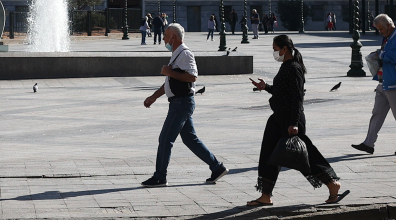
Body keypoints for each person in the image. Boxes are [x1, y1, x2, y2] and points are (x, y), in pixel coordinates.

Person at [248, 35, 346, 206]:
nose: (274, 52)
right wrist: (266, 87)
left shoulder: (293, 68)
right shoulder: (286, 66)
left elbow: (297, 97)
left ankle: (332, 183)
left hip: (289, 120)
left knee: (305, 157)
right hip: (279, 119)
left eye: (275, 49)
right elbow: (283, 92)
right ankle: (266, 195)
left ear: (284, 49)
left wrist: (293, 123)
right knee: (270, 155)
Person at [141, 24, 229, 187]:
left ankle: (160, 176)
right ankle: (217, 168)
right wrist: (154, 96)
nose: (164, 39)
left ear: (173, 37)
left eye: (166, 36)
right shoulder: (176, 54)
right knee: (190, 140)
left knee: (165, 139)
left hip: (182, 103)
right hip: (179, 102)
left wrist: (169, 72)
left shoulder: (185, 53)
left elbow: (192, 77)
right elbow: (171, 80)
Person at [353, 14, 396, 156]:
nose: (380, 32)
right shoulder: (388, 37)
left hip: (395, 82)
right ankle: (368, 143)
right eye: (378, 30)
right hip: (385, 81)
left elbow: (395, 56)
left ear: (389, 25)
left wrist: (380, 54)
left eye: (381, 29)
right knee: (377, 114)